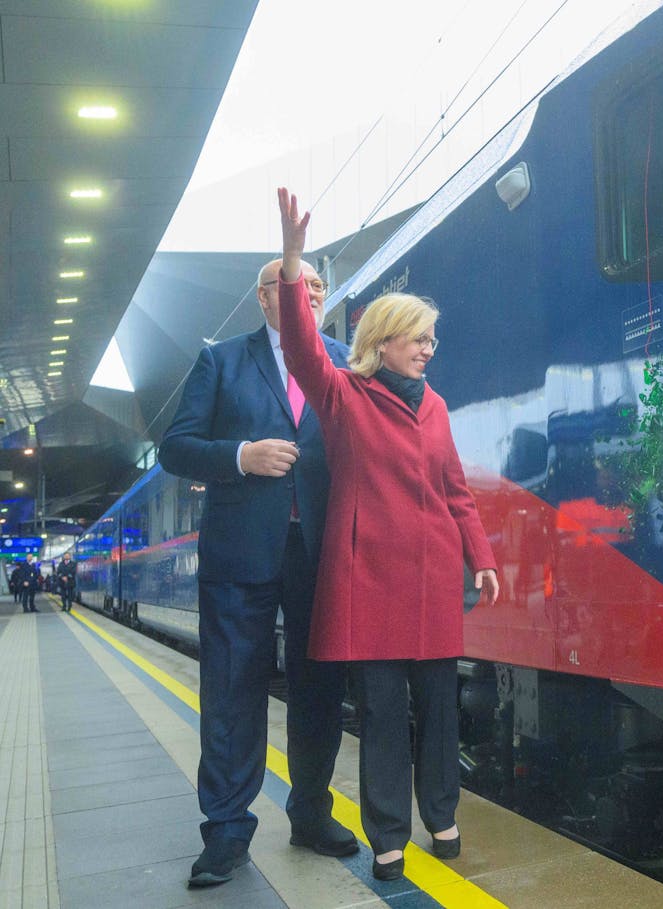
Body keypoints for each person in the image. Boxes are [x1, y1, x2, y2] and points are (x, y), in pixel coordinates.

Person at [275, 187, 499, 881]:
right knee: (380, 712)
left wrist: (482, 558)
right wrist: (291, 266)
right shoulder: (343, 396)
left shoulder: (435, 408)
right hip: (370, 579)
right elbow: (303, 347)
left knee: (437, 709)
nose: (430, 349)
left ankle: (440, 812)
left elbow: (456, 489)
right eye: (419, 338)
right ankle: (388, 832)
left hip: (432, 581)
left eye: (433, 339)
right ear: (382, 341)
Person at [158, 252, 358, 887]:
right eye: (293, 284)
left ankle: (310, 813)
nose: (309, 293)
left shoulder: (344, 362)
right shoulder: (221, 360)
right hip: (240, 554)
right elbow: (175, 447)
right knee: (233, 688)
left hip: (320, 551)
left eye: (318, 286)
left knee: (319, 687)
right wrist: (241, 455)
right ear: (265, 297)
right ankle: (225, 831)